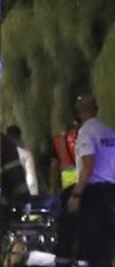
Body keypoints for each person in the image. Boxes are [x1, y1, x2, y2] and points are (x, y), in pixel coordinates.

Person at [67, 94, 115, 267]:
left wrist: (76, 195)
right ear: (97, 108)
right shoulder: (108, 132)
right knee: (107, 246)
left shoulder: (86, 132)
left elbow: (88, 164)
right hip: (111, 192)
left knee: (92, 245)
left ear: (79, 111)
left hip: (93, 194)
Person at [49, 124, 79, 266]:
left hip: (67, 191)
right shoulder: (90, 137)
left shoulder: (59, 140)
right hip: (88, 190)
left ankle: (64, 259)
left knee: (66, 231)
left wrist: (53, 191)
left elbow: (54, 168)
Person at [6, 125, 39, 196]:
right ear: (19, 138)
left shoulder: (0, 153)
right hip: (21, 191)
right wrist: (34, 195)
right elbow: (31, 177)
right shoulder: (26, 155)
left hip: (6, 192)